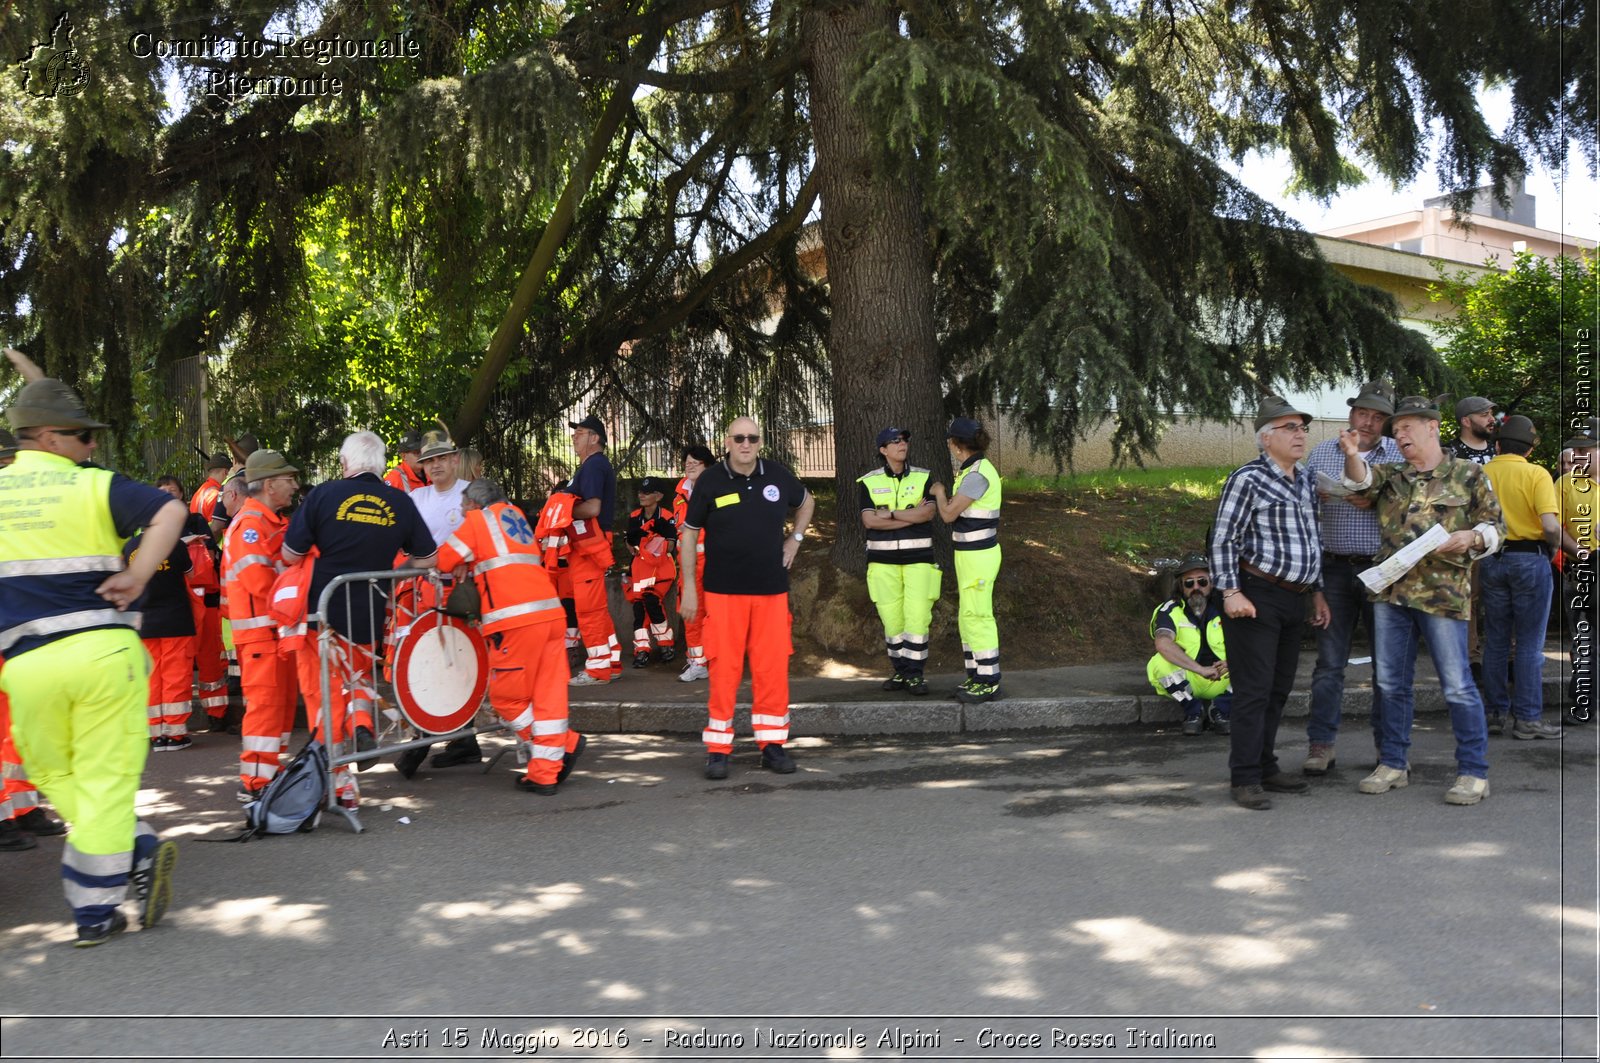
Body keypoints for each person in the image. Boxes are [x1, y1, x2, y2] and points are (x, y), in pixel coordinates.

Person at [0, 372, 184, 946]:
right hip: (104, 654)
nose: (92, 447)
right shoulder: (93, 486)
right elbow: (170, 513)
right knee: (105, 786)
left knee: (51, 772)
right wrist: (134, 572)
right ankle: (96, 910)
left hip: (27, 666)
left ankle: (128, 847)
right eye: (84, 437)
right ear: (51, 437)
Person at [1340, 395, 1504, 806]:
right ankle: (1393, 763)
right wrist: (1351, 454)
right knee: (1390, 683)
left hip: (1443, 596)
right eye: (1396, 431)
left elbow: (1497, 528)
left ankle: (1473, 773)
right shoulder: (1392, 474)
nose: (1400, 436)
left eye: (1407, 428)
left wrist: (1473, 537)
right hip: (1390, 593)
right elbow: (1359, 482)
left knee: (1457, 686)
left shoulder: (1468, 474)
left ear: (1432, 427)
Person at [282, 431, 438, 795]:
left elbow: (290, 554)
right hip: (369, 609)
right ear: (382, 464)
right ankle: (363, 727)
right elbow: (428, 558)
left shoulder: (323, 494)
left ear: (344, 463)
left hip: (321, 612)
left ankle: (335, 784)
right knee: (358, 679)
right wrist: (392, 572)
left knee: (324, 693)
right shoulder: (399, 500)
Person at [1210, 395, 1331, 811]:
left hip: (1294, 597)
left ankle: (1265, 765)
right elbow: (1224, 538)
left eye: (1302, 428)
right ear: (1266, 438)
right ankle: (1243, 777)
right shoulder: (1247, 479)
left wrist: (1316, 591)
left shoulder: (1305, 478)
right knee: (1253, 690)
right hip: (1255, 594)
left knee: (1278, 690)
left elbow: (1312, 538)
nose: (1300, 435)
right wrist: (1230, 592)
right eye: (1290, 428)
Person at [678, 416, 814, 779]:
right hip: (723, 593)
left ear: (760, 441)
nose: (746, 443)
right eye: (739, 437)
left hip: (771, 592)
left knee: (771, 670)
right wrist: (689, 586)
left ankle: (771, 746)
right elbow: (689, 534)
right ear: (726, 442)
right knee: (724, 671)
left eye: (752, 437)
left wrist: (795, 540)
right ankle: (719, 750)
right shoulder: (710, 480)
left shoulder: (777, 474)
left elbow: (807, 502)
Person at [434, 478, 587, 794]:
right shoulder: (514, 516)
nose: (463, 515)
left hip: (515, 621)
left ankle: (564, 745)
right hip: (549, 614)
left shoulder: (478, 519)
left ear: (474, 504)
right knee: (548, 697)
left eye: (463, 509)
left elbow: (445, 559)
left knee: (507, 698)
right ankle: (545, 773)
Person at [1301, 380, 1402, 774]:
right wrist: (1316, 495)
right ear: (1351, 414)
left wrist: (1378, 497)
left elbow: (1415, 509)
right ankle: (1321, 745)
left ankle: (1387, 750)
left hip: (1382, 568)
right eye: (1364, 413)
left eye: (1379, 417)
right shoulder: (1323, 452)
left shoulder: (1397, 454)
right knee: (1329, 664)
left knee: (1387, 665)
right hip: (1334, 568)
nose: (1370, 422)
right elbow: (1301, 511)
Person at [1480, 415, 1565, 739]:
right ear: (1530, 449)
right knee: (1530, 644)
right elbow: (1551, 526)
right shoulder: (1536, 474)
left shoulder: (1482, 472)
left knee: (1496, 641)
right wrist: (1553, 550)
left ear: (1497, 444)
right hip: (1530, 558)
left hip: (1491, 559)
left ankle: (1494, 714)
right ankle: (1528, 719)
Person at [223, 449, 302, 801]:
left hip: (273, 633)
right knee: (266, 707)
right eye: (288, 479)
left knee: (279, 707)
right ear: (269, 485)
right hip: (261, 635)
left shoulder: (266, 521)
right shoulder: (251, 525)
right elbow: (260, 581)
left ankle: (267, 770)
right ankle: (256, 782)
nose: (295, 486)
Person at [858, 426, 939, 695]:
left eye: (904, 439)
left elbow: (927, 515)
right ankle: (900, 672)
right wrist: (907, 515)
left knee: (917, 619)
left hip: (919, 561)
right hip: (882, 563)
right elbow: (869, 521)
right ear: (883, 450)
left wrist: (889, 516)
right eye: (895, 441)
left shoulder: (923, 477)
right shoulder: (869, 482)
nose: (902, 444)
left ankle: (915, 675)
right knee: (892, 621)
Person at [930, 417, 1003, 703]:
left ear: (958, 444)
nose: (948, 444)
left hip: (979, 556)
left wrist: (939, 493)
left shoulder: (977, 474)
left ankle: (989, 681)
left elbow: (948, 514)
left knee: (978, 615)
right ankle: (976, 675)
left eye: (950, 440)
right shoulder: (973, 470)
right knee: (968, 615)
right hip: (970, 555)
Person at [123, 522, 197, 752]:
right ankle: (175, 734)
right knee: (176, 675)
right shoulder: (174, 545)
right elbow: (192, 576)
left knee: (151, 678)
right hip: (176, 620)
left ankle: (155, 733)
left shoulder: (129, 548)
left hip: (143, 623)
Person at [1146, 555, 1231, 736]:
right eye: (1189, 583)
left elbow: (1250, 642)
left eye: (1202, 581)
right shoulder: (1169, 609)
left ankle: (1221, 710)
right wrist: (1200, 669)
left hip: (1225, 675)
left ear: (1212, 582)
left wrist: (1231, 661)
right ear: (1180, 586)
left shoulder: (1228, 606)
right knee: (1159, 664)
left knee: (1257, 661)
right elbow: (1163, 642)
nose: (1196, 588)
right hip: (1189, 676)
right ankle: (1193, 711)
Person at [566, 414, 622, 685]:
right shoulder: (594, 465)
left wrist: (561, 510)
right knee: (596, 608)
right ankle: (610, 661)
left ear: (595, 438)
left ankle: (598, 669)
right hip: (591, 543)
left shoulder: (592, 466)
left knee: (589, 609)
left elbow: (592, 508)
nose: (575, 437)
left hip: (589, 544)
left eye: (581, 433)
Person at [188, 455, 232, 730]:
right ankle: (217, 713)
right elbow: (215, 529)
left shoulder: (197, 495)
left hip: (195, 578)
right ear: (225, 471)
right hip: (212, 571)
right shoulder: (216, 494)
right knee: (211, 650)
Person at [1558, 419, 1598, 726]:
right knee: (1584, 640)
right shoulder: (1565, 484)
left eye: (1586, 449)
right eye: (1577, 450)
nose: (1580, 455)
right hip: (1582, 567)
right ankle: (1583, 704)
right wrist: (1580, 551)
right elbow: (1552, 528)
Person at [672, 446, 716, 682]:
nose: (689, 465)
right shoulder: (679, 495)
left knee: (714, 614)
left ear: (707, 467)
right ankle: (697, 662)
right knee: (690, 613)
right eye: (687, 462)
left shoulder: (716, 490)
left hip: (712, 563)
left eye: (695, 462)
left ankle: (715, 660)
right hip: (687, 565)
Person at [623, 477, 677, 668]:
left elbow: (670, 545)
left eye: (647, 492)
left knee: (652, 601)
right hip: (640, 570)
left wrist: (646, 540)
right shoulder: (634, 516)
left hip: (661, 569)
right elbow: (630, 546)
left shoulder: (667, 516)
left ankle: (666, 645)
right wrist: (647, 541)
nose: (641, 495)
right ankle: (642, 650)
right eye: (640, 492)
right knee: (639, 608)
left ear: (659, 496)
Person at [1446, 395, 1498, 465]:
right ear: (1466, 422)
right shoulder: (1448, 454)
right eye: (1485, 414)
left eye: (1491, 414)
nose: (1492, 419)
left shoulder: (1499, 449)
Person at [383, 429, 428, 493]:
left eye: (423, 451)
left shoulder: (432, 472)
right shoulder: (395, 479)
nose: (421, 455)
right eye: (417, 452)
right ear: (403, 456)